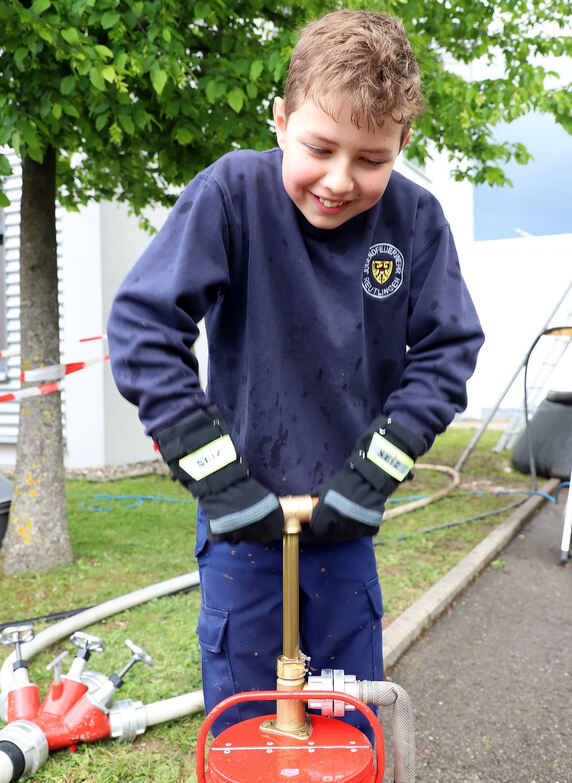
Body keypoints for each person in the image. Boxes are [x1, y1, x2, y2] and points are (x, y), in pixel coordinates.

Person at [107, 8, 484, 738]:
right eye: (320, 147)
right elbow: (145, 329)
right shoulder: (231, 196)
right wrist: (220, 480)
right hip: (241, 531)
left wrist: (372, 477)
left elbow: (446, 351)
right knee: (244, 733)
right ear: (280, 119)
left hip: (344, 530)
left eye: (371, 160)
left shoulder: (415, 222)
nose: (340, 180)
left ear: (402, 143)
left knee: (347, 731)